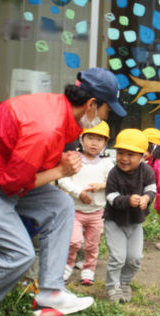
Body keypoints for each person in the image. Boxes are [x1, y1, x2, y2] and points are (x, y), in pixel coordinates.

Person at [0, 67, 127, 316]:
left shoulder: (60, 114)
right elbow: (13, 185)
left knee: (61, 205)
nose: (104, 118)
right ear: (90, 105)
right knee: (18, 254)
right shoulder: (46, 127)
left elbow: (26, 168)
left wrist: (58, 167)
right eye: (106, 111)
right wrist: (60, 172)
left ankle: (51, 293)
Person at [58, 121, 114, 285]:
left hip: (96, 213)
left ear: (105, 143)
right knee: (73, 241)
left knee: (92, 244)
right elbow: (62, 179)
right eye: (90, 138)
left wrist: (103, 185)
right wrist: (79, 192)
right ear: (82, 139)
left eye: (99, 139)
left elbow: (115, 182)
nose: (94, 143)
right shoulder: (75, 159)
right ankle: (67, 266)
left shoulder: (106, 164)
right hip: (74, 210)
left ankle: (89, 270)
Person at [104, 129, 156, 303]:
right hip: (115, 221)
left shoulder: (147, 171)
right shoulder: (114, 173)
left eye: (130, 154)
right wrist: (128, 200)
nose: (124, 158)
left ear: (142, 156)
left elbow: (152, 188)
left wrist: (146, 198)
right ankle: (113, 287)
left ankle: (125, 282)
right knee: (118, 258)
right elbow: (110, 197)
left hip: (135, 222)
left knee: (135, 258)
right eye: (120, 153)